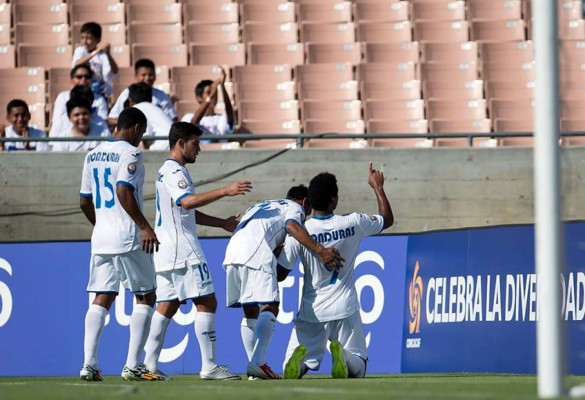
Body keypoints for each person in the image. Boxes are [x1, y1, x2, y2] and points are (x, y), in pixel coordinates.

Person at [143, 122, 252, 381]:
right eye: (195, 142)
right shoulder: (174, 171)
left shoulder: (166, 171)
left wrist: (221, 223)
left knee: (167, 305)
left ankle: (147, 365)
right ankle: (209, 366)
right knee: (207, 302)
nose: (199, 148)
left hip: (167, 250)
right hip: (184, 249)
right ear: (181, 143)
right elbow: (187, 201)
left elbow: (185, 211)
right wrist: (225, 191)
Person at [278, 164, 394, 380]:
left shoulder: (301, 233)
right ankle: (345, 358)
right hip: (345, 308)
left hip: (312, 311)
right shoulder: (353, 222)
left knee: (289, 367)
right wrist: (377, 187)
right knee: (359, 366)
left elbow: (281, 273)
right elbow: (386, 220)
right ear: (334, 200)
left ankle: (299, 360)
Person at [222, 187, 344, 380]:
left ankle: (254, 368)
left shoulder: (263, 204)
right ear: (304, 202)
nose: (305, 217)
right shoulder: (294, 207)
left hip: (231, 252)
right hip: (255, 251)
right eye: (307, 211)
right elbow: (292, 227)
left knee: (249, 310)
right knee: (270, 306)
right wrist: (320, 250)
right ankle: (257, 363)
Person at [78, 107, 163, 382]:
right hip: (127, 236)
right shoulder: (131, 153)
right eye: (143, 132)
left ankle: (89, 364)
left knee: (102, 297)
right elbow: (124, 190)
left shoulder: (92, 154)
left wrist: (102, 224)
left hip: (101, 238)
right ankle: (133, 365)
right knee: (146, 296)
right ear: (137, 127)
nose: (142, 139)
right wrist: (144, 226)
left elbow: (84, 201)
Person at [109, 58, 178, 127]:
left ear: (155, 76)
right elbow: (111, 119)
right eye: (143, 75)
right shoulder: (127, 93)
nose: (147, 78)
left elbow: (173, 118)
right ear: (136, 76)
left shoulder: (161, 95)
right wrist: (128, 126)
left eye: (150, 74)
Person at [181, 67, 235, 144]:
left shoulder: (221, 118)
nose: (213, 95)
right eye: (209, 92)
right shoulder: (188, 117)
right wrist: (210, 97)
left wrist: (222, 86)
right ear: (199, 98)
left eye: (215, 93)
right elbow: (193, 124)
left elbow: (229, 114)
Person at [72, 22, 118, 97]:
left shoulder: (102, 55)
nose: (84, 42)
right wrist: (95, 52)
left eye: (88, 38)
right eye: (82, 38)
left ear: (98, 40)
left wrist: (108, 54)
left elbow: (115, 71)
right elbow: (77, 64)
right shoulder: (80, 50)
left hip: (98, 91)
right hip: (81, 91)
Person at [127, 83, 173, 151]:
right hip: (171, 144)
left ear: (130, 101)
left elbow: (146, 138)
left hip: (163, 147)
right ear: (151, 99)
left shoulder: (136, 110)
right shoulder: (155, 108)